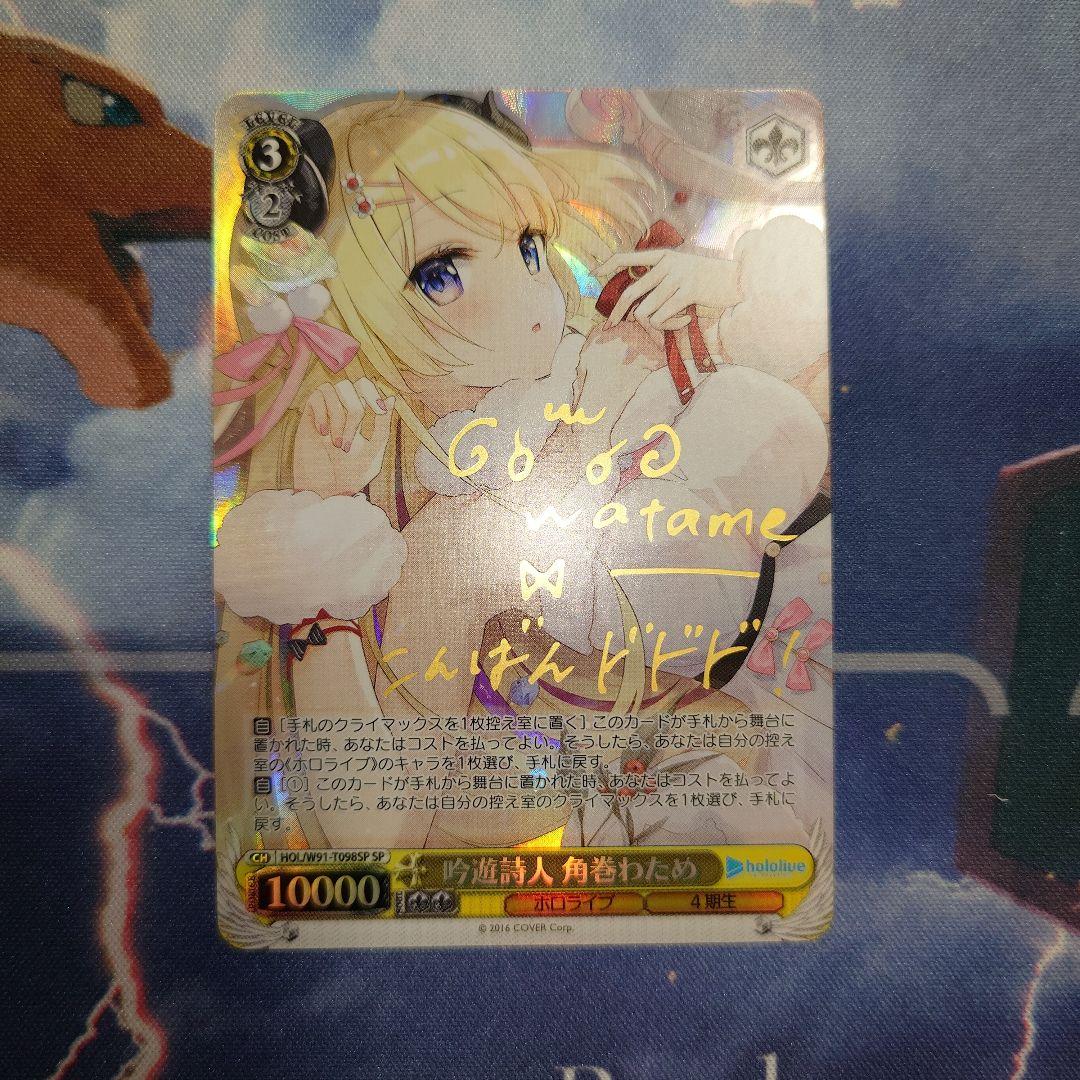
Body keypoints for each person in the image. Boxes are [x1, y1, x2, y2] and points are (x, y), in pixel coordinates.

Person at [214, 93, 831, 853]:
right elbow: (370, 827)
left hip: (782, 653)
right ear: (353, 323)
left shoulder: (604, 353)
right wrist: (323, 552)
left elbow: (780, 371)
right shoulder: (450, 536)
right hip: (680, 770)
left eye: (530, 246)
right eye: (440, 274)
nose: (532, 293)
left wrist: (726, 285)